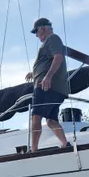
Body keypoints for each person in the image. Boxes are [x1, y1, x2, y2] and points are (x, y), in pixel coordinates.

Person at [25, 17, 70, 152]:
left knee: (36, 116)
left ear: (42, 29)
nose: (37, 36)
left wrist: (47, 77)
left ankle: (33, 150)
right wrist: (34, 73)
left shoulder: (52, 38)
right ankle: (64, 143)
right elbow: (48, 62)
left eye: (36, 32)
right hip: (55, 88)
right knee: (51, 120)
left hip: (46, 87)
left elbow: (58, 57)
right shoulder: (50, 42)